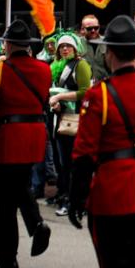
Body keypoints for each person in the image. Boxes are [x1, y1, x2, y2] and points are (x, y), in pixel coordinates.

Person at [66, 15, 135, 268]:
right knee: (130, 243)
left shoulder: (98, 94)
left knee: (113, 260)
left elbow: (84, 152)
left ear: (109, 53)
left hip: (113, 187)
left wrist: (76, 197)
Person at [0, 20, 53, 268]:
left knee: (5, 202)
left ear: (7, 44)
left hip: (10, 135)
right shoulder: (43, 69)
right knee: (20, 185)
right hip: (35, 135)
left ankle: (7, 258)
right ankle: (35, 223)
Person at [48, 33, 92, 217]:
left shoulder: (80, 64)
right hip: (60, 117)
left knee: (73, 163)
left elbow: (85, 91)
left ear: (75, 48)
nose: (65, 49)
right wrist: (56, 102)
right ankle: (64, 194)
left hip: (75, 120)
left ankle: (74, 200)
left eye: (68, 46)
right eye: (62, 46)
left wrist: (59, 97)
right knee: (62, 162)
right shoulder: (57, 65)